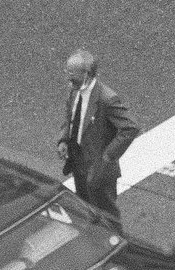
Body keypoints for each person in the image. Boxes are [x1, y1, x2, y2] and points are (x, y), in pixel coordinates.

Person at [56, 49, 138, 219]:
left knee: (107, 215)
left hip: (98, 168)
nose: (68, 78)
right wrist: (64, 139)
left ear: (86, 74)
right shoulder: (75, 89)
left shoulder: (106, 99)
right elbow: (70, 115)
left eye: (72, 74)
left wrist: (108, 157)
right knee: (85, 209)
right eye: (67, 72)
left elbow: (130, 127)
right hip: (78, 161)